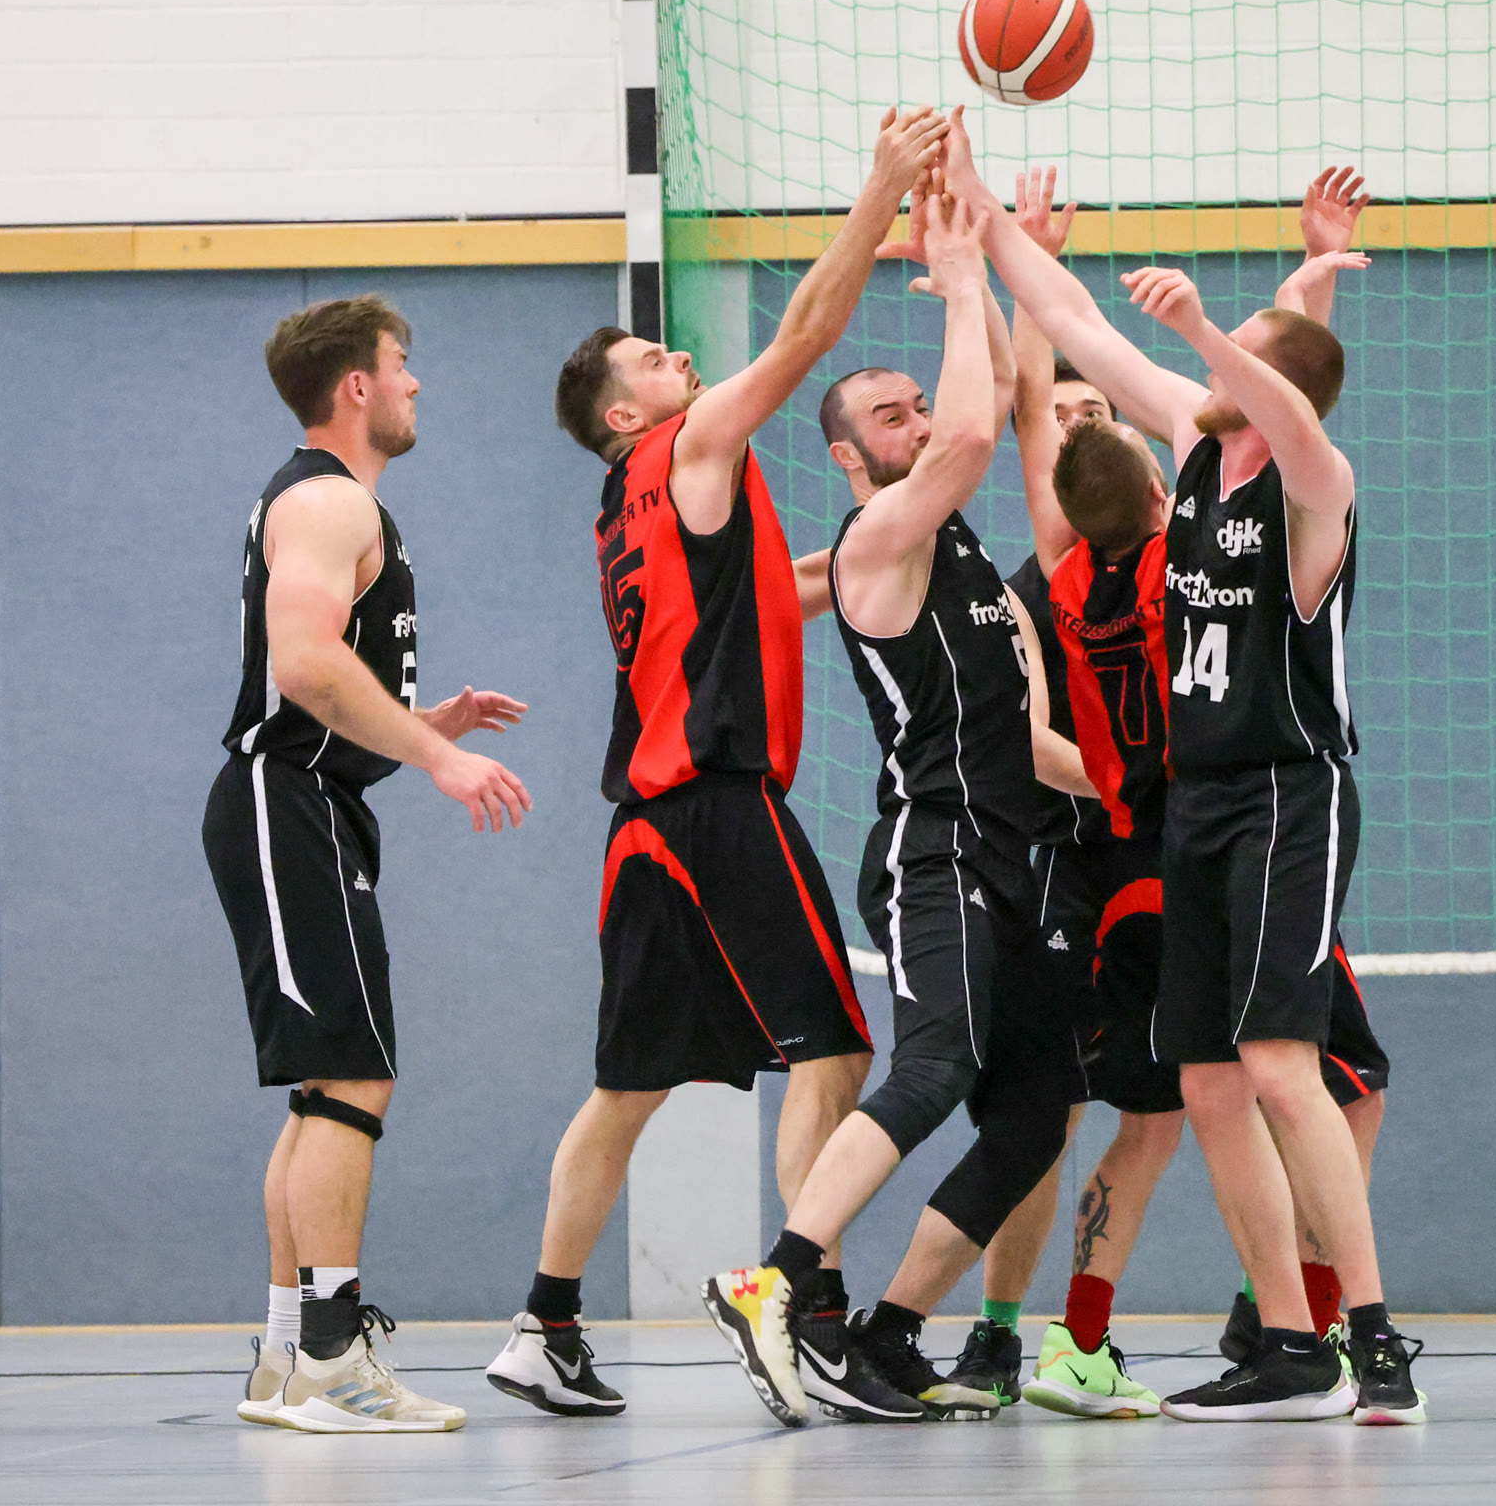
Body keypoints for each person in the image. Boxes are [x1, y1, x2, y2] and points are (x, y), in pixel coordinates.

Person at [942, 122, 1423, 1424]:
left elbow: (1289, 402)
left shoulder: (1314, 485)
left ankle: (1371, 1337)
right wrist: (984, 213)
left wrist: (1220, 324)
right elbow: (1071, 321)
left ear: (1268, 387)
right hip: (1194, 807)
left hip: (1286, 793)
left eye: (1235, 361)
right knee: (1207, 1079)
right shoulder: (1196, 453)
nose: (1205, 371)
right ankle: (1287, 1345)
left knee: (1283, 1062)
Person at [483, 106, 947, 1419]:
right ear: (624, 408)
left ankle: (543, 1322)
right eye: (654, 355)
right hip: (718, 805)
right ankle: (810, 1316)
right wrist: (880, 192)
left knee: (625, 1087)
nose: (679, 354)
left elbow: (767, 594)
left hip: (643, 826)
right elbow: (805, 336)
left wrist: (895, 531)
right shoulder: (687, 445)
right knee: (836, 1052)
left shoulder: (626, 507)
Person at [704, 181, 1091, 1427]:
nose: (918, 419)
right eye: (888, 413)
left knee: (1032, 1117)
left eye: (918, 401)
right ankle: (777, 1279)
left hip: (1021, 858)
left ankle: (886, 1332)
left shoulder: (961, 547)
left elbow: (996, 401)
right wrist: (967, 270)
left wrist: (1010, 269)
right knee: (932, 1063)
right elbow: (975, 430)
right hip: (941, 850)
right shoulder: (882, 533)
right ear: (847, 455)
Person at [203, 295, 531, 1434]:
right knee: (352, 1074)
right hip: (285, 801)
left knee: (323, 1084)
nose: (415, 382)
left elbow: (320, 688)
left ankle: (285, 1358)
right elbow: (301, 663)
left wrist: (418, 722)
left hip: (310, 800)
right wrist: (439, 755)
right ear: (356, 385)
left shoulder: (331, 502)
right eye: (402, 364)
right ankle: (332, 1361)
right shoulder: (328, 498)